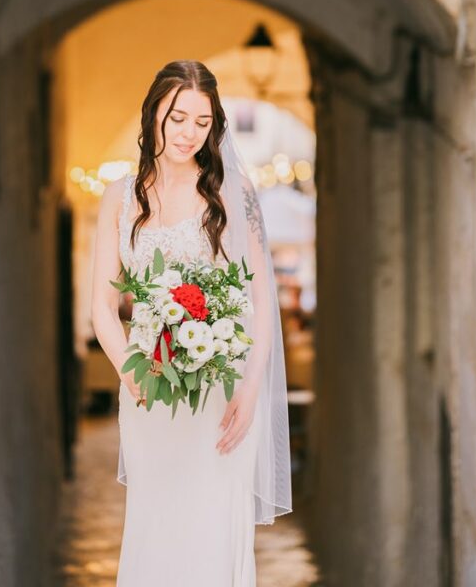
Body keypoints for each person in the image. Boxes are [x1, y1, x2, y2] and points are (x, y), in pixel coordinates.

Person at [91, 60, 292, 586]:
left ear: (214, 128)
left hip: (221, 396)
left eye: (202, 123)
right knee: (155, 530)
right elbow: (102, 309)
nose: (188, 133)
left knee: (212, 532)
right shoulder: (118, 196)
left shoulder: (233, 194)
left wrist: (249, 390)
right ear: (155, 111)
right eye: (178, 117)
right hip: (147, 393)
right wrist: (130, 373)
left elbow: (259, 306)